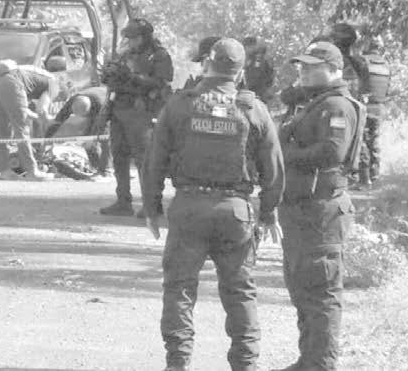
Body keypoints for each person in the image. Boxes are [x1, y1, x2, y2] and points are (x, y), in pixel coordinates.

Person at [141, 38, 284, 371]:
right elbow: (274, 169)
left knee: (179, 288)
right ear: (241, 72)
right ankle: (246, 365)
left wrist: (151, 208)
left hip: (189, 208)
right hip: (235, 211)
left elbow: (154, 161)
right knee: (240, 291)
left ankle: (178, 363)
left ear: (206, 64)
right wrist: (269, 211)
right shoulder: (253, 109)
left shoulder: (180, 105)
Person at [276, 41, 366, 371]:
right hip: (303, 210)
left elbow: (332, 151)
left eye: (312, 67)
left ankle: (321, 364)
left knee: (321, 291)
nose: (303, 71)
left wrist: (285, 155)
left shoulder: (336, 106)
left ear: (334, 70)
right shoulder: (315, 103)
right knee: (302, 286)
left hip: (321, 211)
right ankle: (309, 359)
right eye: (302, 66)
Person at [99, 18, 173, 217]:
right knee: (119, 155)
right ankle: (123, 201)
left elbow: (161, 82)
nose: (131, 42)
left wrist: (133, 77)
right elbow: (113, 79)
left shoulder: (159, 55)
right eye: (129, 38)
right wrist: (109, 74)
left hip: (142, 110)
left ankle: (151, 204)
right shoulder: (125, 54)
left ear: (145, 37)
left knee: (144, 159)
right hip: (119, 108)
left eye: (135, 38)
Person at [0, 59, 57, 181]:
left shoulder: (37, 78)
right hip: (13, 83)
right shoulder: (54, 85)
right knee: (22, 130)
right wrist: (48, 120)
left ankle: (4, 171)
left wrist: (31, 115)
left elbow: (22, 108)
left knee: (3, 131)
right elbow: (42, 111)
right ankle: (32, 171)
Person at [355, 34, 390, 189]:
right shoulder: (386, 65)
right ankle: (375, 176)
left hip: (365, 107)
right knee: (374, 141)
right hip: (379, 107)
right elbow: (387, 89)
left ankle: (364, 179)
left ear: (367, 45)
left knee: (362, 141)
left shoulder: (362, 61)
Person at [242, 36, 276, 103]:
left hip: (258, 93)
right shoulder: (251, 58)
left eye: (247, 47)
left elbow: (254, 77)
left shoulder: (258, 59)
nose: (245, 50)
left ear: (252, 46)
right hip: (253, 93)